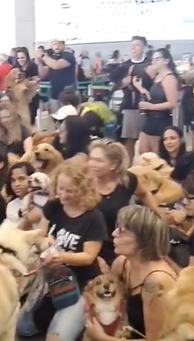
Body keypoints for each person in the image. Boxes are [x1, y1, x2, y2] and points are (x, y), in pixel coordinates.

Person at [16, 161, 108, 341]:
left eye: (70, 191)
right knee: (22, 328)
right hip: (52, 279)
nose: (63, 195)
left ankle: (81, 318)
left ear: (82, 190)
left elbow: (89, 257)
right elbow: (41, 234)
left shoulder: (94, 218)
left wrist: (61, 256)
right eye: (60, 188)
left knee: (57, 338)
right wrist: (45, 243)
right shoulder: (54, 206)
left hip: (81, 284)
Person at [86, 205, 176, 341]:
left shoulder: (158, 281)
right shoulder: (121, 263)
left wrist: (101, 337)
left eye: (122, 231)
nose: (114, 233)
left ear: (143, 240)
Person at [88, 139, 161, 266]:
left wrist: (157, 217)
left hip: (120, 246)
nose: (92, 164)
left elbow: (144, 194)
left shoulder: (127, 180)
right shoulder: (84, 183)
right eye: (91, 159)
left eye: (99, 161)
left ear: (113, 165)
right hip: (92, 248)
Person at [133, 48, 179, 154]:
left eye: (157, 59)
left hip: (161, 122)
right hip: (150, 120)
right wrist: (140, 88)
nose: (154, 61)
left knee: (156, 155)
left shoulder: (169, 78)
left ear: (166, 61)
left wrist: (151, 107)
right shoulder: (158, 76)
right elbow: (152, 98)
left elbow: (172, 103)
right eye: (153, 59)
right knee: (143, 152)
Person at [119, 36, 154, 161]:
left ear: (144, 47)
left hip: (149, 105)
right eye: (132, 45)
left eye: (137, 45)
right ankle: (128, 168)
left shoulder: (150, 64)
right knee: (130, 139)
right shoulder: (125, 65)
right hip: (130, 105)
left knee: (149, 139)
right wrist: (126, 80)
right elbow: (117, 85)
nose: (133, 48)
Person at [35, 39, 76, 114]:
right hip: (54, 94)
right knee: (55, 117)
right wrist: (39, 63)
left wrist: (43, 55)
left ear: (64, 45)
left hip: (68, 95)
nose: (56, 46)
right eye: (54, 44)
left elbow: (56, 65)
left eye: (59, 44)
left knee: (68, 117)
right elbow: (42, 74)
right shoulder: (51, 58)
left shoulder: (68, 56)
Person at [14, 47, 41, 125]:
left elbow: (36, 80)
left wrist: (28, 83)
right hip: (20, 98)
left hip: (32, 96)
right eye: (18, 58)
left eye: (22, 57)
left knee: (31, 118)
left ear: (27, 57)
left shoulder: (32, 66)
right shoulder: (15, 68)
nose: (20, 60)